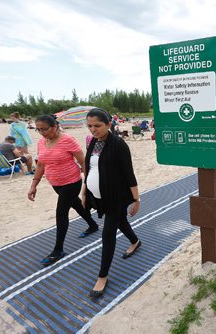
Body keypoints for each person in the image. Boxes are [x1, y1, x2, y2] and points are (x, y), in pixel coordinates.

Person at [82, 108, 141, 298]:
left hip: (116, 196)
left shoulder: (118, 144)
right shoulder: (92, 143)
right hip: (98, 197)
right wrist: (84, 191)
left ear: (109, 124)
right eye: (90, 126)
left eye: (97, 126)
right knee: (120, 222)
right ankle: (135, 241)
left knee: (108, 234)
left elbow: (129, 174)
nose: (93, 130)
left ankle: (102, 276)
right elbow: (88, 169)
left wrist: (136, 199)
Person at [27, 115, 99, 266]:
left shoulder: (68, 140)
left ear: (54, 126)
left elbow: (82, 161)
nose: (41, 132)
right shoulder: (41, 142)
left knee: (61, 213)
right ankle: (93, 225)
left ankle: (58, 249)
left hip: (72, 182)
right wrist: (34, 184)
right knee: (77, 205)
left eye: (44, 129)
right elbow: (40, 165)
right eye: (38, 129)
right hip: (55, 183)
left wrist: (88, 182)